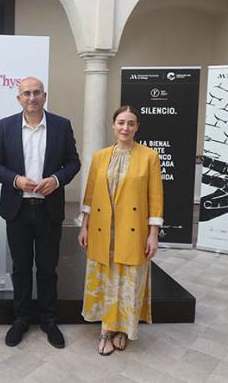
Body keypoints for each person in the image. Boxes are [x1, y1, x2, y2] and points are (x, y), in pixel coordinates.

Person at [0, 77, 80, 349]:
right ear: (19, 98)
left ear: (44, 96)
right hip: (17, 209)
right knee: (20, 267)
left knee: (47, 268)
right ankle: (21, 319)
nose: (32, 97)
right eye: (26, 93)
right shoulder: (6, 126)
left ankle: (49, 320)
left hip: (48, 209)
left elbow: (73, 162)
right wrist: (15, 180)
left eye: (36, 92)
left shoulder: (61, 126)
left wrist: (57, 179)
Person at [78, 105, 163, 355]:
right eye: (121, 122)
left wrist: (153, 234)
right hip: (103, 230)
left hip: (132, 231)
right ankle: (106, 329)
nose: (125, 127)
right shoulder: (100, 156)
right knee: (107, 279)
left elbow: (155, 198)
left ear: (137, 127)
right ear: (113, 125)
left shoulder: (149, 157)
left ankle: (122, 329)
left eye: (131, 123)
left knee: (127, 280)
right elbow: (90, 193)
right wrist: (84, 226)